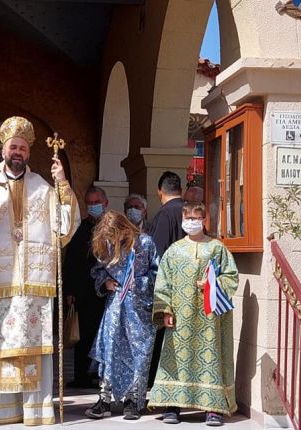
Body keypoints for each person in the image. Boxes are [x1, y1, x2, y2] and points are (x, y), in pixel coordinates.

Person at [0, 116, 80, 426]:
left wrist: (63, 184)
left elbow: (65, 227)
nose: (18, 152)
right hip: (0, 281)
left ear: (29, 152)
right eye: (13, 147)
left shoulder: (44, 187)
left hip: (35, 284)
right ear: (3, 149)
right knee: (2, 343)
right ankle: (0, 409)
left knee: (34, 344)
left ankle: (35, 409)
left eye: (23, 148)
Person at [149, 202, 239, 427]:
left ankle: (213, 408)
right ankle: (172, 406)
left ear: (204, 220)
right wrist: (166, 310)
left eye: (196, 218)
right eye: (187, 218)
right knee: (177, 358)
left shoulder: (217, 248)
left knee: (211, 357)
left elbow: (231, 277)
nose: (191, 222)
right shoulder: (174, 250)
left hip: (210, 317)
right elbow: (163, 282)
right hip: (181, 316)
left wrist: (212, 284)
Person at [85, 210, 158, 421]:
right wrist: (105, 283)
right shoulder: (106, 245)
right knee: (110, 350)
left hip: (139, 309)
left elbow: (157, 272)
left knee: (138, 353)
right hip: (115, 307)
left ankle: (133, 400)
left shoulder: (145, 243)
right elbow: (98, 271)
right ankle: (104, 399)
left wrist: (140, 283)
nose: (113, 241)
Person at [63, 186, 108, 388]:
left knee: (104, 334)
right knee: (83, 335)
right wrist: (70, 291)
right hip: (84, 292)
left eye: (96, 202)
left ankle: (101, 374)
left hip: (107, 292)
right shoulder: (80, 229)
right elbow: (71, 262)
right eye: (89, 203)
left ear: (105, 203)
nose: (93, 206)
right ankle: (81, 375)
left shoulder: (111, 227)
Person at [147, 170, 186, 388]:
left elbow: (156, 255)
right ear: (181, 190)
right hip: (189, 288)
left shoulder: (164, 215)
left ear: (159, 192)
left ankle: (158, 382)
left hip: (167, 289)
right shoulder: (191, 212)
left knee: (161, 338)